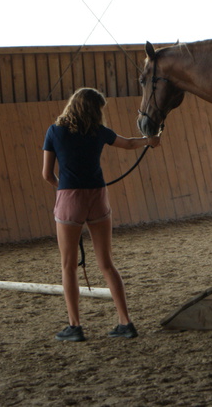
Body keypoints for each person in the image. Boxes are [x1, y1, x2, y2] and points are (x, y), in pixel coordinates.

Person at [42, 87, 159, 342]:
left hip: (70, 198)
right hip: (98, 197)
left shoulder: (54, 131)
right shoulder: (99, 132)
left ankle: (75, 326)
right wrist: (149, 140)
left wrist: (64, 187)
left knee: (68, 265)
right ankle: (125, 322)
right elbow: (129, 143)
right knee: (106, 263)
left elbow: (47, 175)